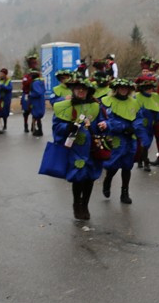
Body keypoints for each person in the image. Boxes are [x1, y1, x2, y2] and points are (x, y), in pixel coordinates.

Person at [52, 77, 107, 220]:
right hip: (75, 148)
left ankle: (85, 205)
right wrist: (67, 127)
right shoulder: (64, 106)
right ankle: (77, 203)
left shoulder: (96, 106)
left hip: (92, 148)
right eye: (78, 88)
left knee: (90, 177)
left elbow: (101, 122)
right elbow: (56, 126)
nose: (81, 91)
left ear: (88, 91)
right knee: (78, 176)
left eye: (84, 89)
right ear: (73, 90)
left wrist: (103, 125)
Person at [100, 78, 142, 204]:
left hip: (130, 138)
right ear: (116, 89)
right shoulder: (107, 102)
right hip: (116, 137)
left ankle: (125, 193)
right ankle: (108, 180)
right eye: (121, 88)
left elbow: (139, 118)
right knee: (113, 165)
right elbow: (108, 119)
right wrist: (123, 127)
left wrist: (134, 128)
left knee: (127, 166)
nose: (123, 90)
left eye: (126, 88)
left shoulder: (134, 102)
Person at [21, 54, 40, 133]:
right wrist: (31, 79)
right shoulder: (27, 75)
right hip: (27, 94)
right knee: (26, 111)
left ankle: (34, 125)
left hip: (35, 95)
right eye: (32, 63)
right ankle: (25, 125)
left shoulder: (38, 74)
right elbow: (24, 83)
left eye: (35, 63)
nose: (34, 65)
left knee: (35, 111)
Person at [27, 68, 46, 137]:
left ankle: (39, 130)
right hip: (40, 101)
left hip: (36, 102)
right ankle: (37, 129)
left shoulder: (35, 83)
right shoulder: (41, 82)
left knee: (36, 115)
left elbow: (38, 92)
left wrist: (30, 94)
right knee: (37, 116)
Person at [0, 67, 13, 132]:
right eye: (0, 73)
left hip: (6, 98)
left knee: (5, 112)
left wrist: (3, 86)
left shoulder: (8, 81)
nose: (1, 75)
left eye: (2, 73)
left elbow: (9, 88)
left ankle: (5, 125)